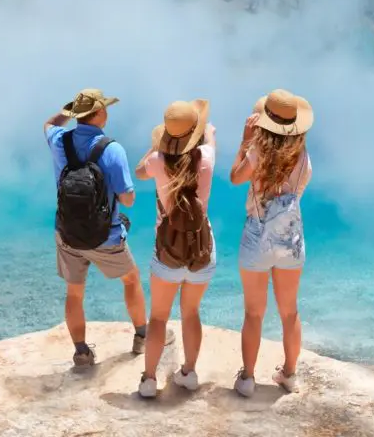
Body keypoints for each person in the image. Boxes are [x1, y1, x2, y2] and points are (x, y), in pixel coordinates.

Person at [44, 88, 172, 368]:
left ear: (78, 114)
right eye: (104, 108)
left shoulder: (59, 140)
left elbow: (49, 124)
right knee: (131, 279)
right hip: (105, 236)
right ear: (100, 113)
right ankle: (142, 336)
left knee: (74, 292)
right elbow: (126, 197)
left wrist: (68, 112)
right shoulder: (111, 148)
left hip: (67, 231)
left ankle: (81, 353)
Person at [229, 88, 314, 397]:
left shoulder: (257, 152)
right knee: (289, 311)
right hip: (290, 236)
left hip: (257, 234)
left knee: (254, 312)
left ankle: (248, 378)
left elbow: (236, 178)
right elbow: (298, 190)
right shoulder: (303, 156)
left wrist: (245, 140)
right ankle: (290, 374)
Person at [133, 100, 218, 399]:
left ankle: (148, 380)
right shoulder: (207, 157)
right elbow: (210, 136)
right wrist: (204, 130)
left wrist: (155, 144)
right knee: (191, 312)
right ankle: (189, 373)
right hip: (201, 249)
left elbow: (139, 172)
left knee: (158, 317)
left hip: (167, 251)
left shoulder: (157, 160)